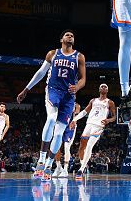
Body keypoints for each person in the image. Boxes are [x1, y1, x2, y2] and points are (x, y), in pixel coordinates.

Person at [17, 30, 86, 182]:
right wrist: (26, 90)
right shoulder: (53, 53)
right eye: (67, 35)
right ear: (61, 39)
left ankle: (48, 165)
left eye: (72, 35)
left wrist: (77, 87)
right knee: (51, 119)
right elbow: (41, 72)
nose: (70, 36)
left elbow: (83, 79)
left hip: (69, 97)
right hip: (53, 91)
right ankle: (41, 160)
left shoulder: (79, 57)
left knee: (60, 132)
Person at [71, 83, 116, 180]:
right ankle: (83, 164)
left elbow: (114, 117)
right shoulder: (93, 100)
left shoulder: (110, 102)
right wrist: (74, 119)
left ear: (107, 90)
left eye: (105, 87)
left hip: (98, 126)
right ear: (99, 90)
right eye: (102, 86)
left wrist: (108, 120)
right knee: (81, 147)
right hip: (89, 124)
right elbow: (84, 112)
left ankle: (81, 169)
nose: (103, 87)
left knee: (89, 145)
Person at [52, 102, 81, 178]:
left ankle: (65, 169)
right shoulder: (61, 102)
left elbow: (76, 115)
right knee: (56, 146)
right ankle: (58, 167)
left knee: (66, 146)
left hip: (70, 127)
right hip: (60, 124)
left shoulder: (76, 105)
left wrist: (74, 121)